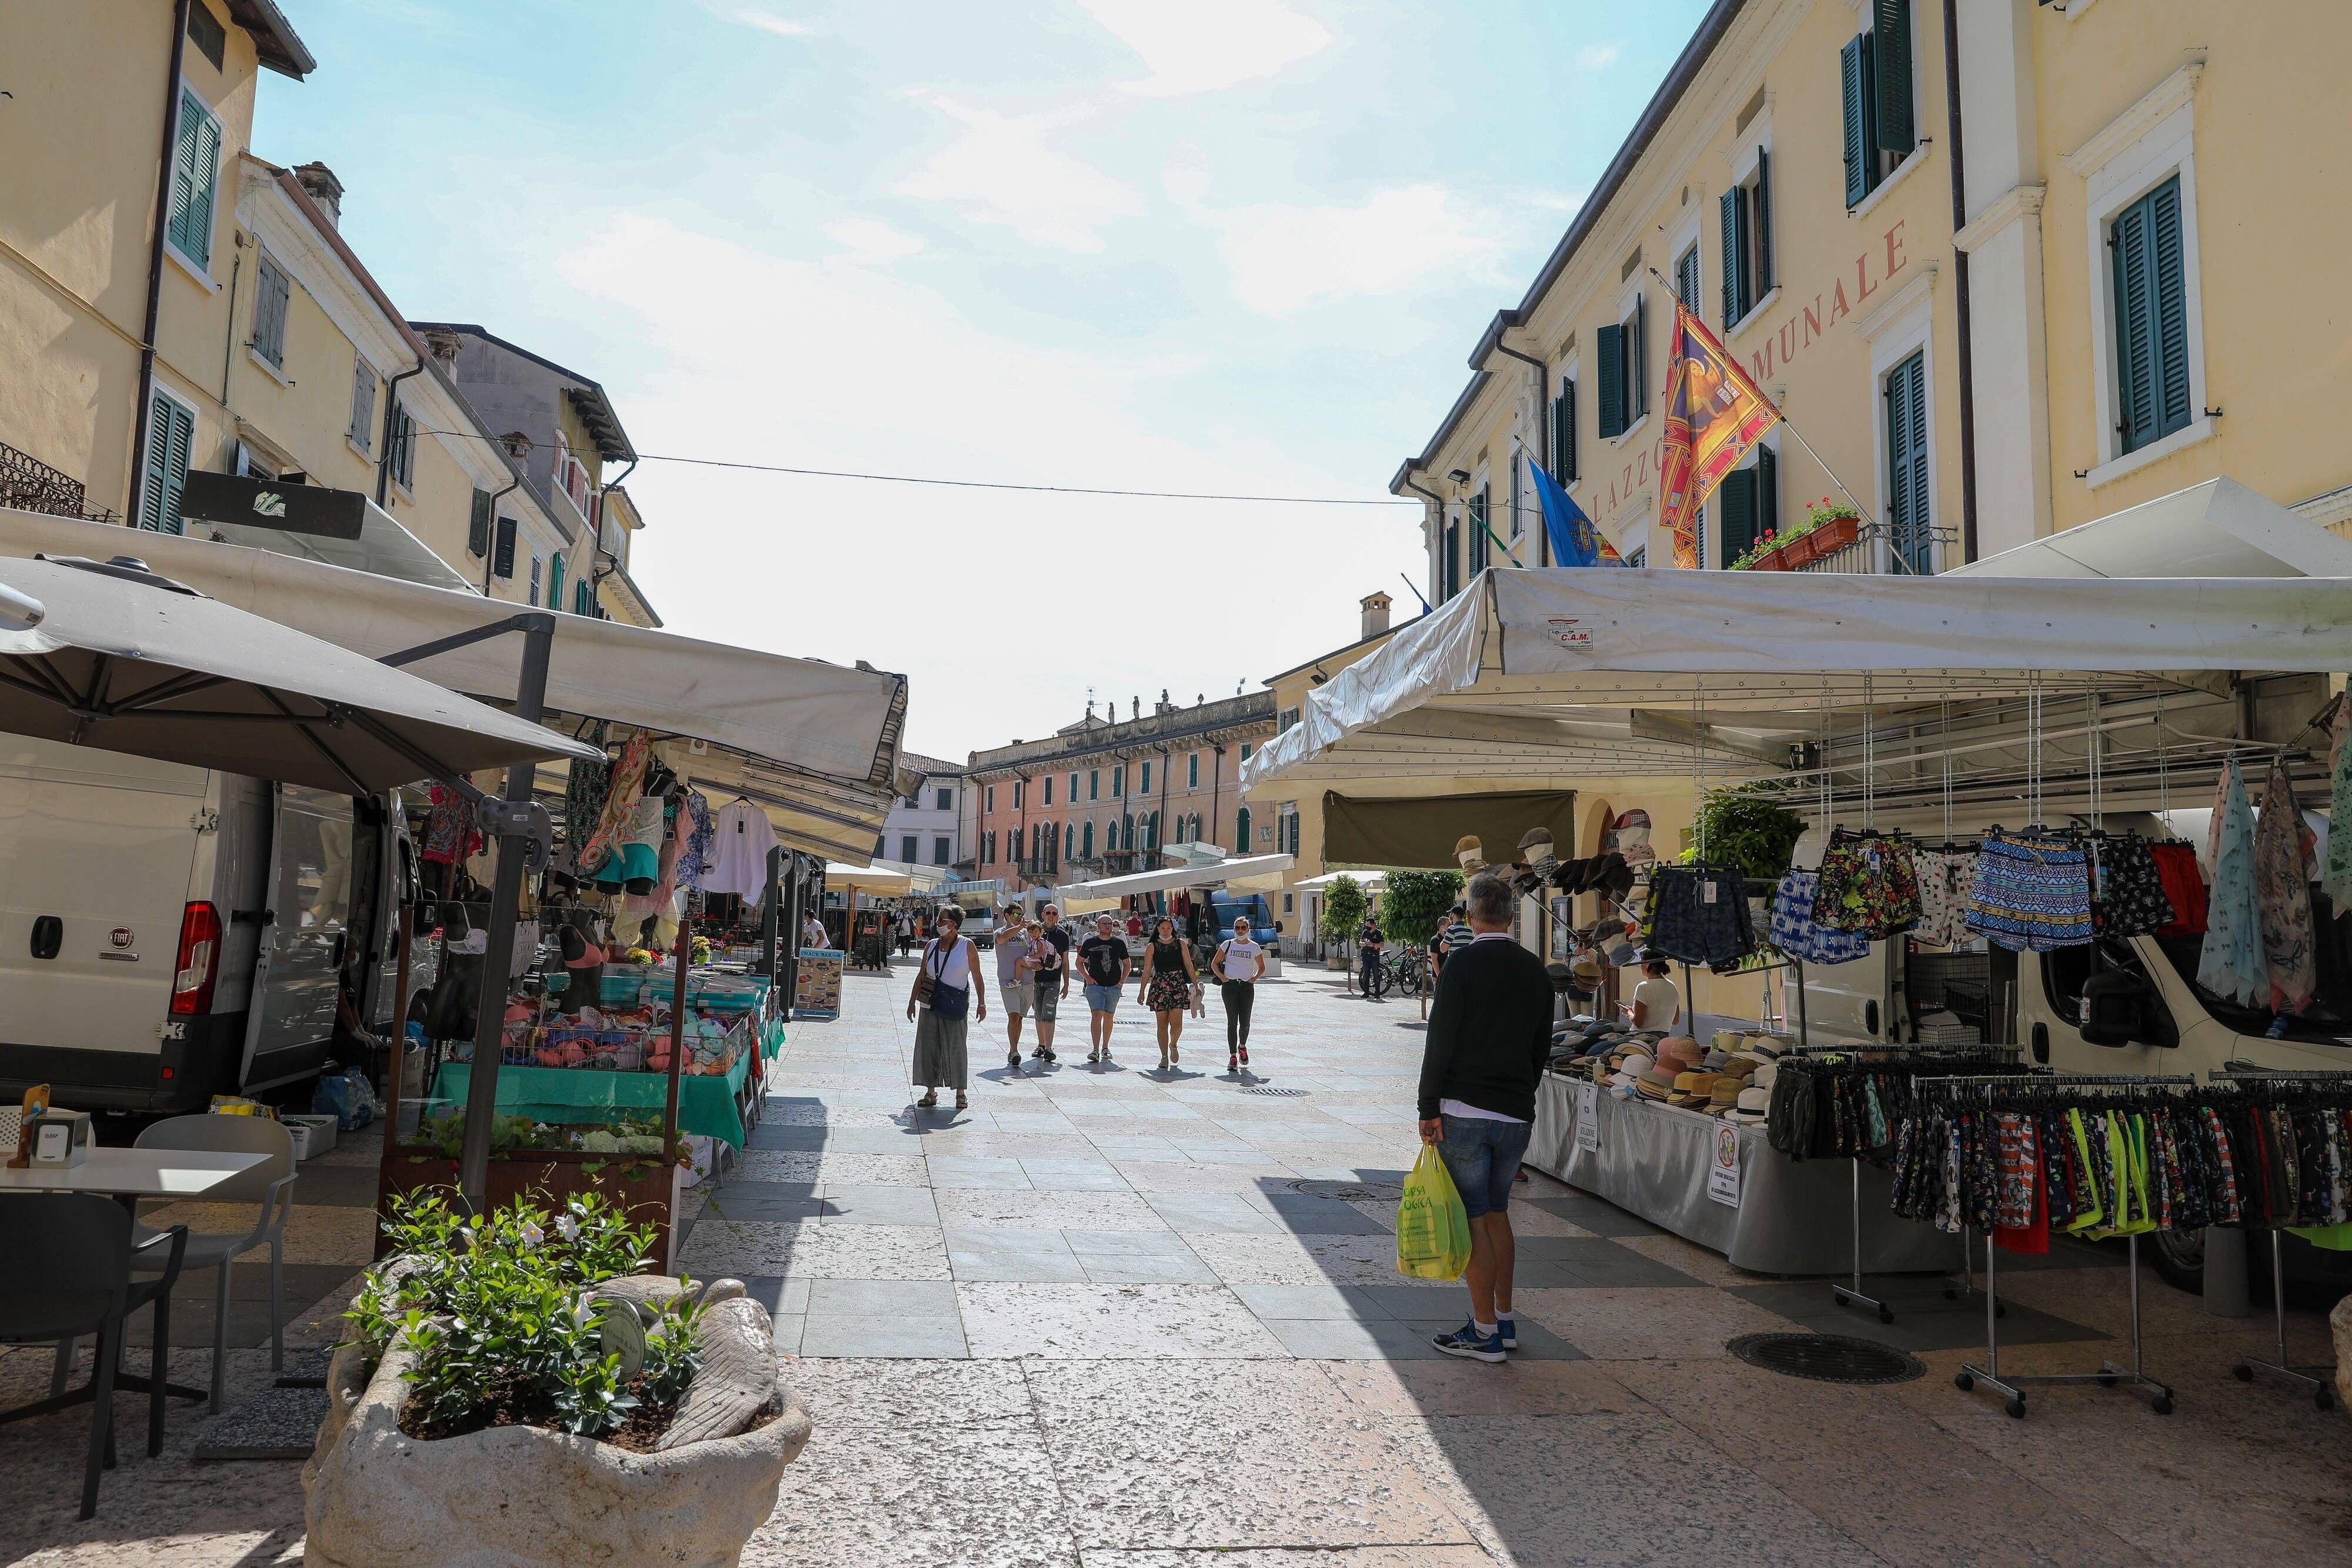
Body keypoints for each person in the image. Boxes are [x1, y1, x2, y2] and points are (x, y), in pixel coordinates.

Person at [1416, 872, 1553, 1362]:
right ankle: (1506, 1318)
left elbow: (1441, 1040)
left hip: (1465, 1110)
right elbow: (1542, 1045)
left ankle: (1484, 1331)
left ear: (1471, 916)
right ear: (1512, 916)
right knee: (1499, 1214)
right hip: (1516, 1113)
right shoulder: (1535, 969)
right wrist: (1521, 1093)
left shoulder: (1460, 964)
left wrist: (1427, 1107)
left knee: (1474, 1218)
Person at [907, 906, 986, 1111]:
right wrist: (911, 1002)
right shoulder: (931, 945)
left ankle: (961, 1093)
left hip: (955, 1004)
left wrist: (982, 1002)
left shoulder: (967, 946)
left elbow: (977, 977)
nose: (938, 923)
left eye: (942, 920)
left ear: (953, 925)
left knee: (956, 1047)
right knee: (929, 1047)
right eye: (938, 920)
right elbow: (922, 975)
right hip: (930, 1003)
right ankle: (930, 1092)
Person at [1138, 915, 1197, 1071]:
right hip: (1159, 986)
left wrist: (1196, 986)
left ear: (1173, 929)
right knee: (1162, 1024)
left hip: (1177, 984)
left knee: (1177, 1024)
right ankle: (1164, 1056)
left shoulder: (1180, 944)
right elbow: (1147, 971)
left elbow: (1189, 966)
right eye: (1163, 928)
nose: (1165, 931)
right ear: (1158, 929)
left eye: (1169, 928)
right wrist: (1142, 991)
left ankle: (1174, 1044)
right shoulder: (1152, 946)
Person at [1214, 915, 1266, 1073]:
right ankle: (1233, 1057)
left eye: (1243, 927)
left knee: (1245, 1022)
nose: (1240, 930)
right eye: (1237, 927)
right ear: (1234, 929)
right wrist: (1223, 978)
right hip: (1229, 986)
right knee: (1232, 1022)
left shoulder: (1254, 947)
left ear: (1248, 929)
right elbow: (1214, 964)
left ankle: (1242, 1046)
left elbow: (1261, 967)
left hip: (1246, 987)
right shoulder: (1227, 944)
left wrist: (1254, 979)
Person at [1078, 912, 1131, 1064]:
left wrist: (1121, 982)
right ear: (1098, 926)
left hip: (1114, 986)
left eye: (1110, 924)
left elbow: (1127, 964)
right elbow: (1079, 962)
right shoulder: (1090, 942)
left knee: (1109, 1016)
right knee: (1096, 1014)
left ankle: (1105, 1047)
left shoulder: (1119, 943)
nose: (1108, 926)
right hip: (1095, 986)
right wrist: (1088, 978)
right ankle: (1095, 1049)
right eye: (1105, 924)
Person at [1021, 917, 1067, 1062]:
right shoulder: (1030, 937)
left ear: (1058, 916)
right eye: (1048, 912)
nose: (1051, 915)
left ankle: (1049, 1048)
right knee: (1038, 1013)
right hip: (1036, 980)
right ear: (1043, 914)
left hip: (1053, 980)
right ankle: (1041, 1045)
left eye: (1054, 913)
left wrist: (1066, 983)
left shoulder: (1062, 935)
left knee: (1049, 1013)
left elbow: (1065, 961)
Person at [994, 905, 1033, 1069]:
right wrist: (1019, 927)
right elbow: (1003, 939)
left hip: (1028, 980)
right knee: (1014, 1016)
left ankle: (1013, 1049)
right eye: (1017, 914)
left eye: (1021, 914)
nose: (1020, 917)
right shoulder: (999, 932)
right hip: (1008, 981)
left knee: (1020, 1018)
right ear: (1007, 916)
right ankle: (1014, 1051)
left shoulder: (1026, 933)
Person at [1630, 957, 1681, 1031]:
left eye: (1641, 962)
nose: (1640, 965)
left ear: (1647, 964)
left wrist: (1629, 1013)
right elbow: (1675, 1021)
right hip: (1664, 1036)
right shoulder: (1672, 986)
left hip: (1642, 1036)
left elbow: (1638, 1023)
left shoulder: (1643, 987)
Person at [1357, 912, 1385, 1000]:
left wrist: (1373, 944)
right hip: (1366, 956)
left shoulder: (1379, 933)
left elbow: (1382, 945)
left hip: (1374, 956)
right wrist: (1364, 944)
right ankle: (1366, 992)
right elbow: (1360, 942)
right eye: (1366, 925)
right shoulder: (1365, 932)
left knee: (1376, 975)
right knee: (1366, 974)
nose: (1367, 927)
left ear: (1373, 925)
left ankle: (1377, 993)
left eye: (1368, 925)